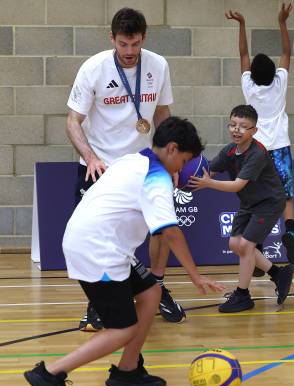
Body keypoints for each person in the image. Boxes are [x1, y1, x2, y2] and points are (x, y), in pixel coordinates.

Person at [24, 117, 224, 386]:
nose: (182, 169)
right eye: (183, 161)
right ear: (171, 149)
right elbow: (170, 232)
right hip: (97, 250)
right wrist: (196, 277)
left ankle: (127, 370)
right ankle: (50, 374)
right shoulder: (156, 179)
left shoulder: (136, 158)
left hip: (103, 244)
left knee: (150, 292)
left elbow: (158, 230)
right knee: (122, 329)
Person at [66, 7, 185, 329]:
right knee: (101, 238)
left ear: (144, 38)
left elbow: (162, 114)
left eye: (134, 45)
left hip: (144, 164)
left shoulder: (158, 65)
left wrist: (168, 160)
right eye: (123, 45)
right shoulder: (93, 68)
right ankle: (96, 303)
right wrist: (90, 156)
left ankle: (157, 286)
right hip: (101, 165)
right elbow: (73, 121)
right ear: (112, 39)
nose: (129, 52)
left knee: (160, 226)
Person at [189, 105, 294, 313]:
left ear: (254, 131)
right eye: (233, 125)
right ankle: (278, 274)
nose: (237, 130)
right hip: (249, 204)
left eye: (243, 127)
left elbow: (237, 185)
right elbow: (208, 168)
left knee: (246, 245)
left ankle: (243, 295)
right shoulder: (229, 151)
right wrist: (182, 172)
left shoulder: (257, 154)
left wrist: (208, 184)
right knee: (235, 243)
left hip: (269, 203)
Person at [225, 3, 294, 271]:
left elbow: (243, 53)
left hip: (256, 150)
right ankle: (290, 234)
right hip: (280, 148)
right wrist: (282, 22)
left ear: (253, 77)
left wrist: (242, 24)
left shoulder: (249, 88)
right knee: (287, 196)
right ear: (273, 73)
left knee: (255, 200)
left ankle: (255, 245)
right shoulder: (280, 84)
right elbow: (286, 51)